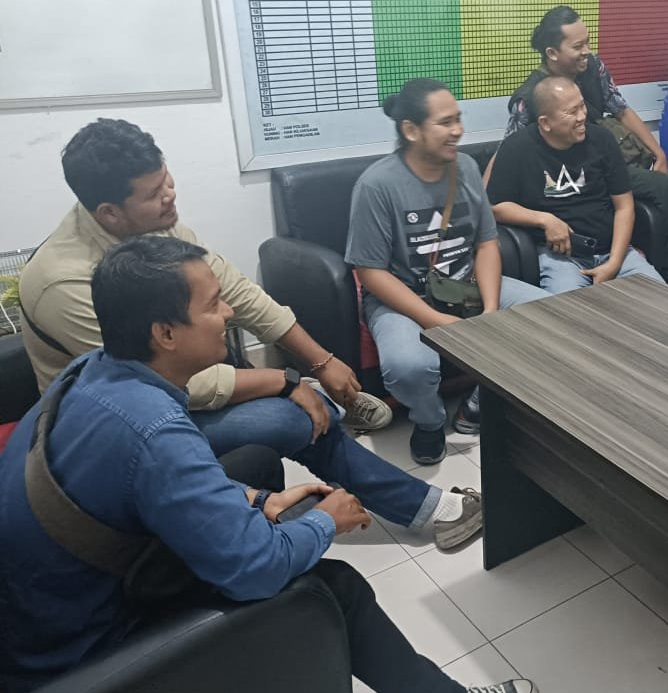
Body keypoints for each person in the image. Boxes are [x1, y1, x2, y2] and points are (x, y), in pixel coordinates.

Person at [0, 237, 538, 693]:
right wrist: (326, 521)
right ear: (165, 334)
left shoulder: (91, 372)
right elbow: (256, 569)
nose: (228, 313)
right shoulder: (155, 432)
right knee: (333, 588)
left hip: (50, 607)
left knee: (255, 465)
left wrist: (260, 500)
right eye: (212, 305)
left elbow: (140, 489)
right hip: (80, 656)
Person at [19, 118, 480, 551]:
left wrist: (321, 361)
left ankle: (419, 502)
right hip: (118, 432)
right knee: (296, 418)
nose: (171, 195)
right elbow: (152, 385)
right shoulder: (66, 283)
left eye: (167, 179)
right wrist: (286, 382)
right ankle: (425, 506)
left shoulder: (155, 225)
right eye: (155, 192)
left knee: (313, 411)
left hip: (172, 392)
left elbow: (236, 292)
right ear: (110, 213)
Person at [346, 79, 549, 466]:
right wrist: (434, 320)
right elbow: (370, 272)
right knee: (408, 367)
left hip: (464, 285)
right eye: (445, 122)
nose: (458, 130)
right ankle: (429, 421)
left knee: (550, 316)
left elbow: (486, 243)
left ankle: (479, 403)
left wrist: (491, 309)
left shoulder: (466, 168)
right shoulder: (376, 185)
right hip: (401, 299)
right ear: (411, 130)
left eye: (458, 119)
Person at [496, 6, 668, 281]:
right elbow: (509, 147)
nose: (587, 51)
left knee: (660, 186)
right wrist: (485, 195)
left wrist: (657, 151)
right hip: (555, 174)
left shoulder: (593, 68)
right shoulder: (529, 97)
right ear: (553, 53)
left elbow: (620, 108)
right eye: (578, 46)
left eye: (587, 42)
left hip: (597, 159)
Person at [487, 76, 665, 293]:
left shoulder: (601, 139)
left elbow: (624, 206)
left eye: (582, 106)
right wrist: (545, 220)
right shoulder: (518, 147)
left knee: (662, 300)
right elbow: (496, 207)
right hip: (561, 258)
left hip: (613, 251)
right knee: (570, 311)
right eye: (572, 112)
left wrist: (614, 262)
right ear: (545, 123)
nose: (582, 117)